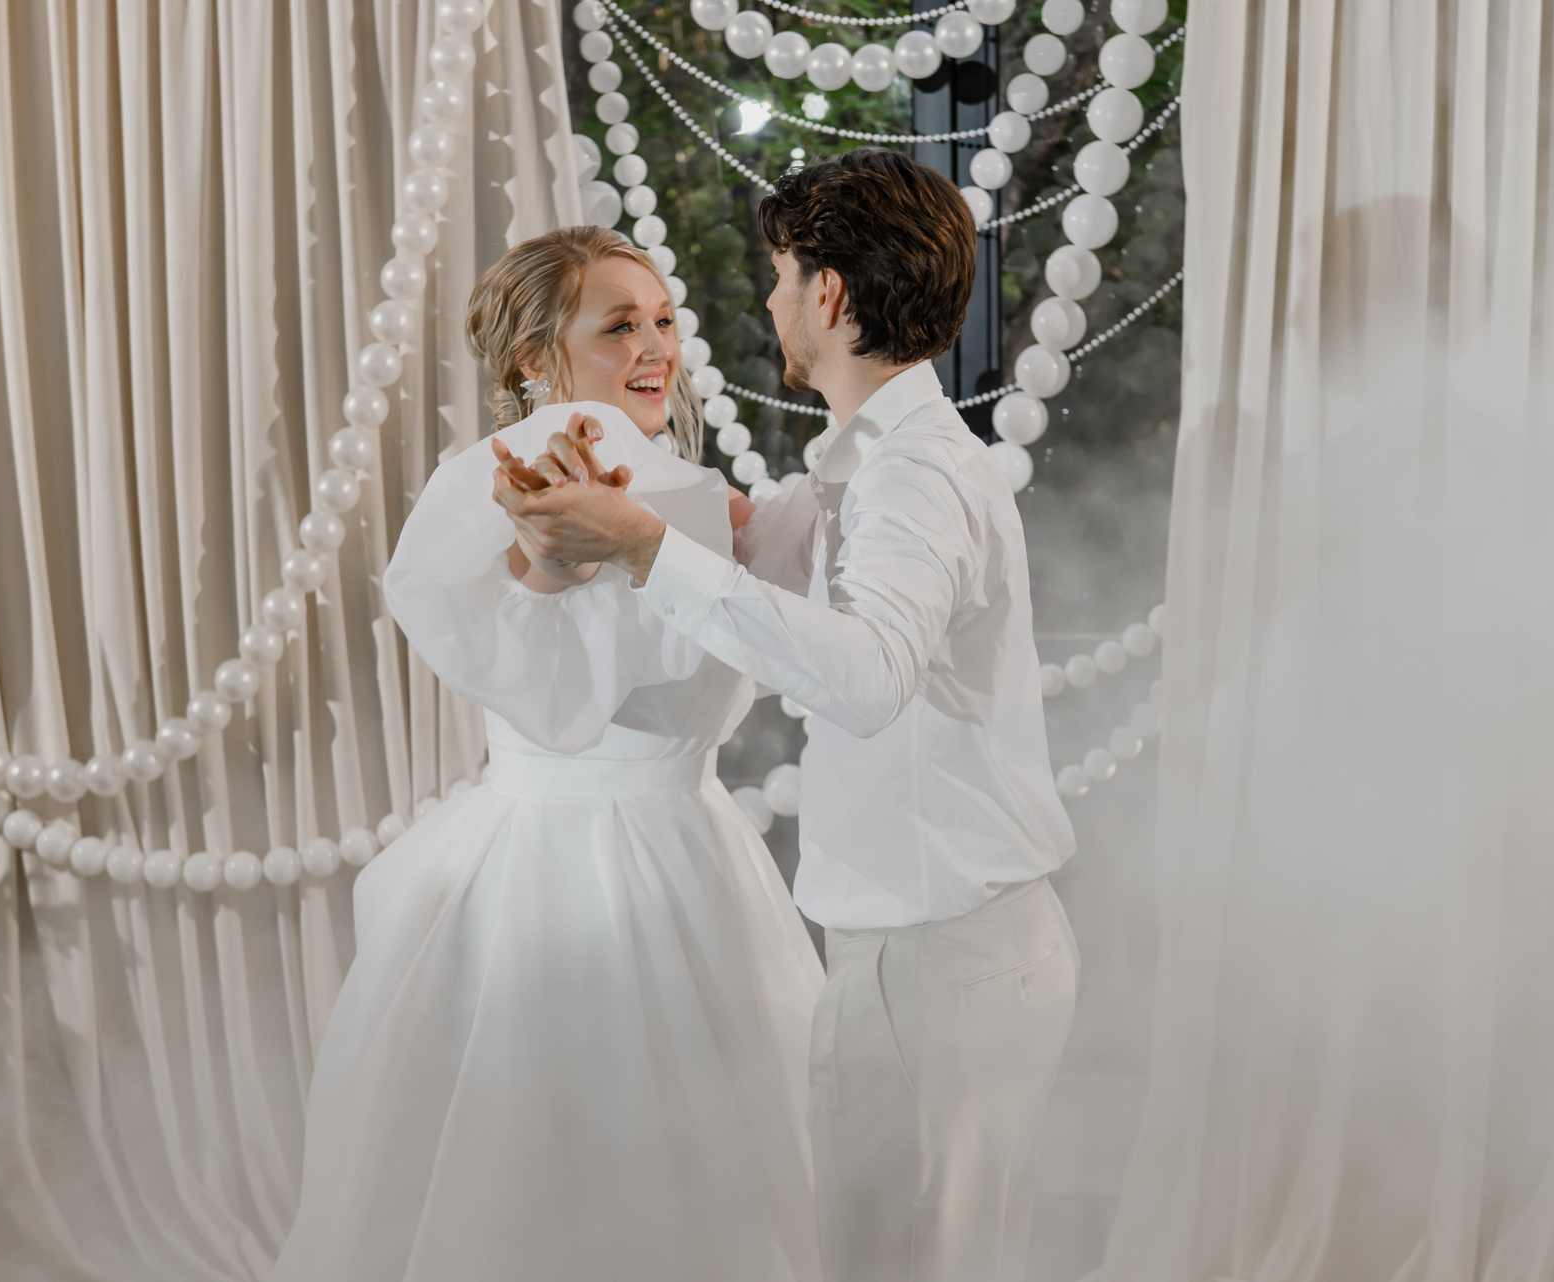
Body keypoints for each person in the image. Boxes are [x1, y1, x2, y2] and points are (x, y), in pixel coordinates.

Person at [497, 151, 1079, 1282]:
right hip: (935, 948)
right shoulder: (866, 470)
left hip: (939, 959)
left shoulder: (911, 478)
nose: (767, 303)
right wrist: (660, 526)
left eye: (778, 276)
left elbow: (865, 678)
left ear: (829, 293)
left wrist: (650, 547)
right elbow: (771, 598)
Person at [269, 227, 824, 1282]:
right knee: (569, 1158)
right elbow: (536, 646)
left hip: (690, 844)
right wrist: (548, 564)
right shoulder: (528, 477)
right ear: (536, 357)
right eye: (618, 326)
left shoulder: (686, 490)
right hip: (567, 865)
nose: (654, 346)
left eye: (662, 319)